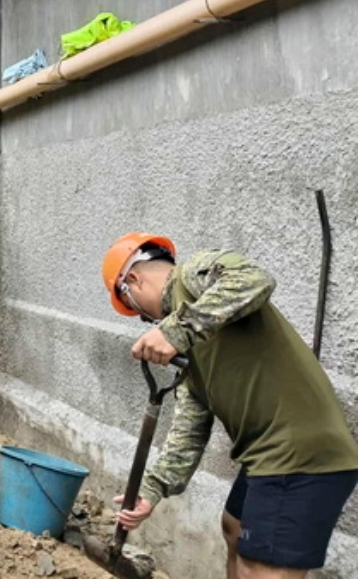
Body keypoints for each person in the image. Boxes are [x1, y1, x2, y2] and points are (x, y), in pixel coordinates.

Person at [102, 233, 358, 579]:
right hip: (265, 453)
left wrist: (177, 330)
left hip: (301, 451)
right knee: (234, 528)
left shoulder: (192, 278)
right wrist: (152, 489)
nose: (144, 321)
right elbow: (188, 432)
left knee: (262, 569)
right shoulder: (189, 350)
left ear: (133, 280)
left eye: (133, 309)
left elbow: (253, 279)